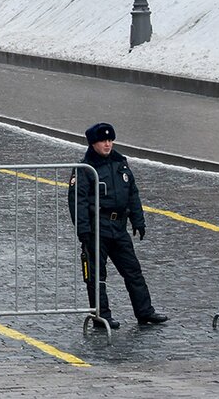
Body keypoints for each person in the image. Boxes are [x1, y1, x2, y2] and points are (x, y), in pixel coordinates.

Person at [68, 122, 168, 329]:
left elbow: (132, 193)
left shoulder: (120, 163)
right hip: (98, 227)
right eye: (103, 141)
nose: (108, 144)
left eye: (110, 140)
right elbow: (78, 202)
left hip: (118, 226)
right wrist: (84, 231)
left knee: (133, 271)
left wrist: (138, 220)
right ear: (93, 143)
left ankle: (145, 311)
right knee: (96, 276)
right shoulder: (85, 168)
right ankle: (101, 315)